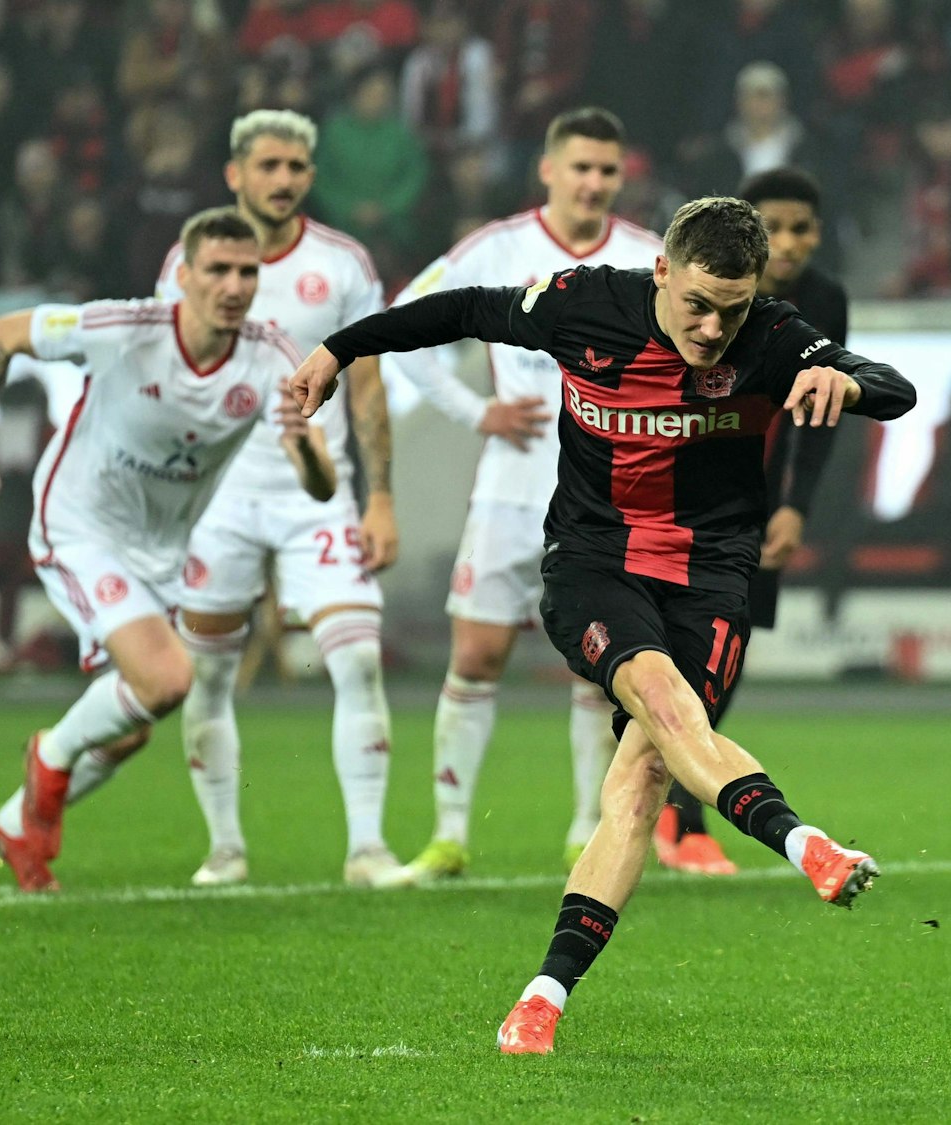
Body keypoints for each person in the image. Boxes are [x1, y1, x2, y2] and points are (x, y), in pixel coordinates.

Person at [286, 195, 916, 1055]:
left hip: (710, 576)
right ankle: (804, 841)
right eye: (696, 303)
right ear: (662, 271)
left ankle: (541, 999)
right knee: (660, 698)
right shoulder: (586, 304)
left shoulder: (772, 335)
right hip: (597, 561)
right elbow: (467, 308)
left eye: (730, 309)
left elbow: (895, 389)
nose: (710, 328)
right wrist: (339, 345)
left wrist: (845, 379)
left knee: (641, 781)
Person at [0, 208, 326, 892]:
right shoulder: (124, 329)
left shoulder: (272, 354)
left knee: (127, 727)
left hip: (159, 551)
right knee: (167, 680)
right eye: (217, 269)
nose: (234, 284)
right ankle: (49, 754)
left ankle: (16, 818)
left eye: (247, 271)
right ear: (183, 276)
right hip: (80, 522)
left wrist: (304, 448)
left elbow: (321, 481)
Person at [378, 108, 662, 885]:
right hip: (509, 493)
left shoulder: (648, 256)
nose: (594, 183)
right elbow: (409, 324)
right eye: (580, 167)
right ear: (548, 169)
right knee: (476, 653)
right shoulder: (501, 247)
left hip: (607, 504)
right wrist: (478, 412)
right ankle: (447, 836)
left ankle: (584, 831)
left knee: (595, 666)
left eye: (607, 170)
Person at [158, 110, 403, 889]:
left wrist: (381, 497)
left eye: (298, 166)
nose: (285, 179)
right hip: (218, 495)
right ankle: (224, 846)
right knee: (206, 674)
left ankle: (368, 848)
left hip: (316, 491)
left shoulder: (342, 263)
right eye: (268, 165)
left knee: (359, 659)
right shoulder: (188, 261)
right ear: (234, 173)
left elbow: (366, 378)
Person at [651, 166, 848, 875]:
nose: (790, 242)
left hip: (752, 506)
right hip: (674, 494)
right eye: (777, 227)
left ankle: (671, 812)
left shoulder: (824, 300)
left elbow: (819, 418)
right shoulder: (704, 294)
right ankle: (680, 819)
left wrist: (793, 504)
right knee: (666, 659)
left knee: (718, 663)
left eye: (803, 228)